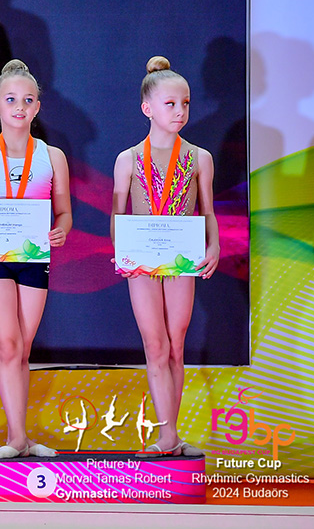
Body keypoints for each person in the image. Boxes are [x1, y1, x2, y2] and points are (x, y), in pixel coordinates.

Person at [0, 60, 72, 458]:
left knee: (22, 349)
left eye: (27, 100)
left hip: (34, 258)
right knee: (6, 344)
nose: (19, 107)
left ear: (37, 106)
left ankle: (21, 437)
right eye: (11, 99)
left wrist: (62, 230)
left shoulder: (53, 156)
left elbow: (64, 212)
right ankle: (16, 439)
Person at [111, 56, 219, 457]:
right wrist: (121, 251)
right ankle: (167, 435)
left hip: (182, 258)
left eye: (185, 103)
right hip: (141, 260)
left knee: (176, 344)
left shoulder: (199, 157)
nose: (179, 111)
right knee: (154, 345)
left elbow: (207, 210)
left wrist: (214, 246)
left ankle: (172, 435)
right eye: (170, 104)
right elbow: (117, 212)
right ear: (147, 108)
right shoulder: (128, 159)